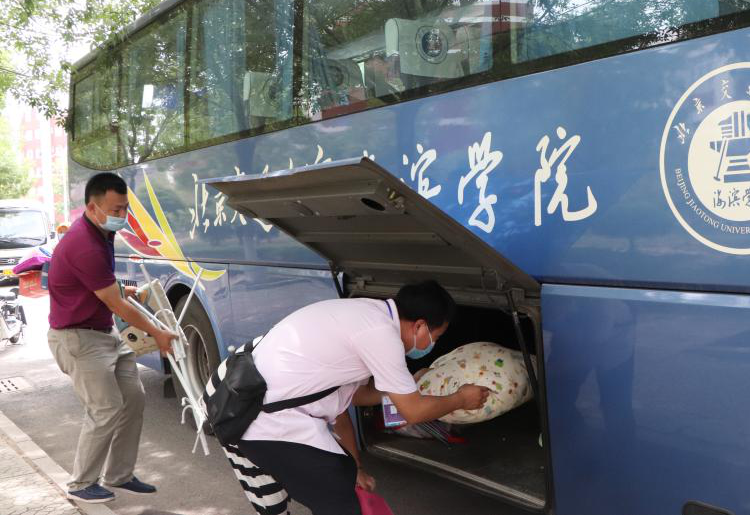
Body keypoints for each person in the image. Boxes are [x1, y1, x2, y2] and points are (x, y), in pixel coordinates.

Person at [229, 280, 489, 515]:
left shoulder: (368, 315)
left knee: (341, 482)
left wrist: (400, 388)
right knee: (341, 502)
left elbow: (356, 396)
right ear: (420, 326)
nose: (433, 344)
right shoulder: (382, 335)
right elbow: (413, 412)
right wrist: (461, 399)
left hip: (259, 408)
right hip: (266, 422)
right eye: (436, 337)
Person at [46, 172, 176, 504]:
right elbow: (115, 304)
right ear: (92, 207)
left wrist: (125, 289)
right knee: (105, 409)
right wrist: (157, 332)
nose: (122, 215)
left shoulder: (102, 232)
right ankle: (81, 483)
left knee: (133, 399)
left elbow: (103, 285)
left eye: (125, 208)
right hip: (78, 339)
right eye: (116, 209)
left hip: (106, 333)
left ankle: (119, 474)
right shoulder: (83, 244)